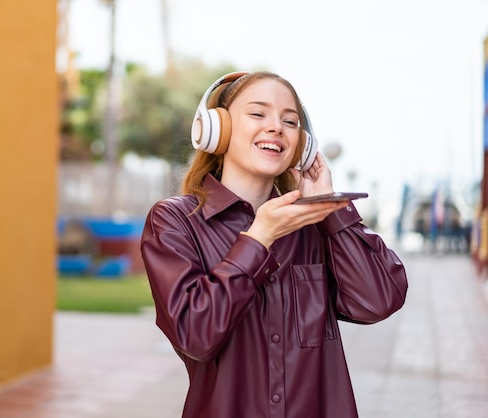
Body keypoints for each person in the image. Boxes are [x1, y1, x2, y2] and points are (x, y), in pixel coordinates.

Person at [140, 71, 408, 418]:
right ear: (216, 130)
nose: (276, 127)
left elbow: (379, 299)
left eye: (290, 120)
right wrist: (258, 238)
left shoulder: (315, 226)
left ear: (303, 143)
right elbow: (195, 335)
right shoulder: (175, 222)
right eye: (257, 113)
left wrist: (330, 208)